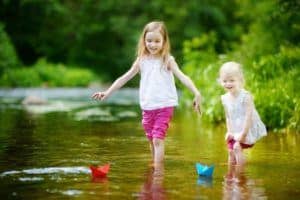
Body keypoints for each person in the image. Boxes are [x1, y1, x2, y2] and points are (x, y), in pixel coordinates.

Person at [92, 21, 201, 168]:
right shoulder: (141, 60)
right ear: (144, 40)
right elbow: (125, 77)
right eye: (149, 41)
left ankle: (158, 171)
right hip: (148, 106)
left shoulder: (167, 60)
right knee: (151, 139)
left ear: (164, 42)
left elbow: (182, 77)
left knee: (157, 139)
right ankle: (154, 165)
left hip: (164, 105)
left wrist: (196, 92)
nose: (153, 44)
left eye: (157, 41)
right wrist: (107, 92)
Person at [219, 61, 267, 166]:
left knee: (236, 148)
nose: (228, 84)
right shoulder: (225, 98)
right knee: (230, 152)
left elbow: (248, 117)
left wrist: (243, 134)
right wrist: (229, 132)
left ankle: (240, 175)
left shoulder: (245, 97)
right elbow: (228, 117)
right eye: (225, 81)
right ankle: (230, 176)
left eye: (232, 80)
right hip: (234, 130)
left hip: (246, 130)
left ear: (240, 80)